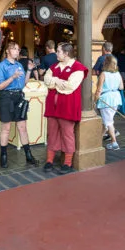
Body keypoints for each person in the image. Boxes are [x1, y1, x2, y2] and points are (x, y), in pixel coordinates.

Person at [43, 42, 88, 174]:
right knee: (52, 133)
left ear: (66, 53)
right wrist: (57, 80)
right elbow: (46, 80)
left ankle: (67, 163)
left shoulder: (78, 68)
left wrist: (53, 82)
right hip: (53, 106)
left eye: (58, 51)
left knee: (68, 134)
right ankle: (49, 161)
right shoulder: (54, 66)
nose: (56, 53)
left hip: (68, 107)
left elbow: (69, 87)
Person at [0, 42, 38, 169]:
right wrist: (13, 77)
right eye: (14, 49)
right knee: (6, 128)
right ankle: (3, 156)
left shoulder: (19, 65)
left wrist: (29, 70)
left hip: (18, 96)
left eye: (18, 49)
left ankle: (29, 156)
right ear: (7, 51)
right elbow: (0, 86)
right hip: (5, 97)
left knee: (22, 127)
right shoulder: (2, 66)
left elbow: (23, 84)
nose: (17, 51)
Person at [95, 55, 124, 150]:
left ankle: (114, 143)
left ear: (105, 63)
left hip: (106, 98)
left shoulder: (103, 74)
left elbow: (98, 90)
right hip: (115, 98)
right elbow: (121, 87)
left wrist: (94, 101)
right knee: (106, 120)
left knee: (108, 121)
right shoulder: (118, 73)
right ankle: (97, 141)